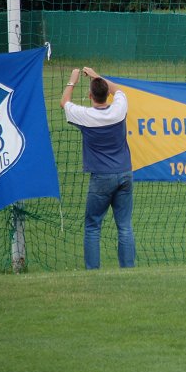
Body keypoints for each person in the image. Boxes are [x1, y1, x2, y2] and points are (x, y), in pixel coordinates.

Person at [61, 67, 136, 269]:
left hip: (102, 178)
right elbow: (118, 91)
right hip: (125, 174)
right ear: (106, 95)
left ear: (90, 95)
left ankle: (93, 271)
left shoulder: (85, 116)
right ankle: (128, 270)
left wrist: (72, 81)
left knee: (93, 226)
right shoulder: (119, 109)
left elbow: (64, 103)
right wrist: (96, 76)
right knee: (125, 227)